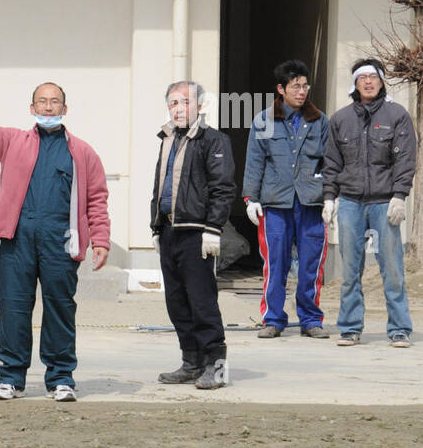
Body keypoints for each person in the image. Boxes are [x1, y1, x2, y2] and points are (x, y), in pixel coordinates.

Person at [0, 71, 110, 401]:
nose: (48, 107)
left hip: (61, 240)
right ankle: (10, 378)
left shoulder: (83, 153)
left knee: (59, 308)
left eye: (54, 101)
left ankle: (60, 378)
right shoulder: (12, 141)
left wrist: (100, 239)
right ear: (32, 108)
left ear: (65, 108)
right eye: (42, 102)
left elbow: (97, 198)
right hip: (19, 240)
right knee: (13, 307)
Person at [323, 58, 416, 347]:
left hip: (384, 201)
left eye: (372, 77)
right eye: (362, 78)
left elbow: (405, 159)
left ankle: (399, 328)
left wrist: (400, 195)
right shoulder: (340, 119)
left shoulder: (396, 115)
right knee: (350, 269)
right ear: (355, 83)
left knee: (393, 269)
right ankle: (350, 328)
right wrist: (329, 197)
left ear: (381, 81)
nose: (368, 82)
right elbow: (331, 162)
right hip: (350, 201)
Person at [150, 81, 236, 389]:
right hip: (170, 231)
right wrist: (156, 225)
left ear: (199, 106)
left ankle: (216, 365)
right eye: (172, 103)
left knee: (202, 301)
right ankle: (192, 361)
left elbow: (223, 188)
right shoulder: (167, 139)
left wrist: (213, 229)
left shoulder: (213, 141)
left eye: (184, 102)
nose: (178, 108)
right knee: (177, 302)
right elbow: (161, 186)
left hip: (197, 234)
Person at [242, 59, 331, 339]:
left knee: (310, 264)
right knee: (275, 264)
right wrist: (250, 198)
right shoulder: (264, 120)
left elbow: (330, 162)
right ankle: (273, 318)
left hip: (311, 202)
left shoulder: (320, 121)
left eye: (305, 86)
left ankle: (311, 319)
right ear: (281, 88)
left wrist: (331, 197)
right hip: (275, 203)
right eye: (296, 86)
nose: (302, 91)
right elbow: (255, 161)